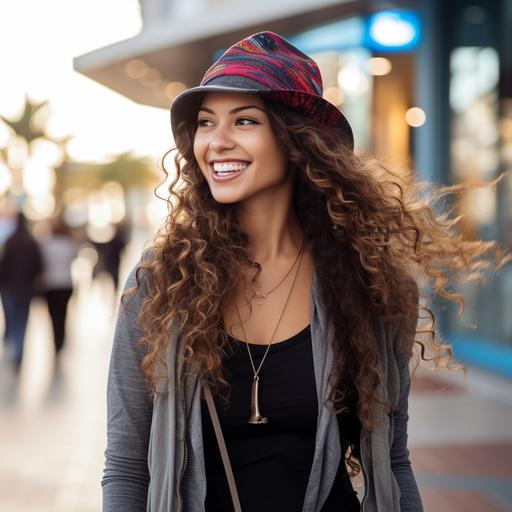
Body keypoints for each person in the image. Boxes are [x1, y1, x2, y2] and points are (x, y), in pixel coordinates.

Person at [102, 32, 508, 512]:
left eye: (245, 120)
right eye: (206, 122)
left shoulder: (370, 284)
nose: (216, 141)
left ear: (298, 140)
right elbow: (128, 464)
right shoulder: (161, 284)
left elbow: (393, 462)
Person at [0, 212, 43, 372]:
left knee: (12, 319)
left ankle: (14, 348)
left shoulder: (10, 242)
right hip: (25, 289)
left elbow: (3, 266)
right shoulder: (32, 242)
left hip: (10, 289)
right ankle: (18, 351)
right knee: (22, 322)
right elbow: (39, 267)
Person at [39, 216, 79, 361]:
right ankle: (60, 340)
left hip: (51, 285)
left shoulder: (46, 245)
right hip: (66, 284)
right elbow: (75, 257)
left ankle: (56, 340)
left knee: (53, 315)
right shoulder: (69, 245)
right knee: (63, 314)